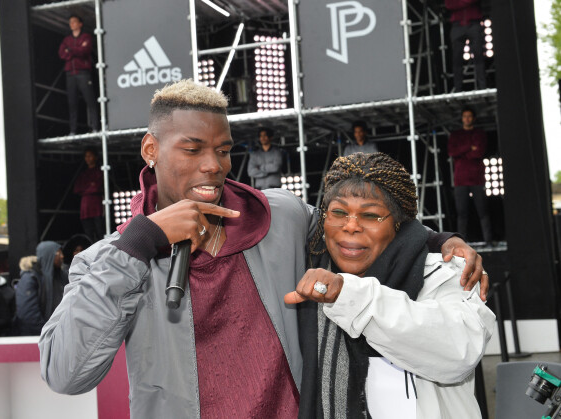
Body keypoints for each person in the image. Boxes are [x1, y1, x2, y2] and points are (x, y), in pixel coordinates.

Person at [39, 80, 487, 419]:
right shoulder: (111, 257)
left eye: (223, 149)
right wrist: (140, 244)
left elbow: (355, 224)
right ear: (151, 149)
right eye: (192, 149)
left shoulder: (281, 215)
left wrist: (436, 240)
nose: (212, 165)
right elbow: (66, 373)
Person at [285, 152, 495, 418]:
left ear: (399, 223)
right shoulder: (308, 269)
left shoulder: (447, 271)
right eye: (338, 212)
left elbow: (460, 351)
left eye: (371, 216)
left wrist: (349, 295)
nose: (351, 226)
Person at [448, 107, 492, 243]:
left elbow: (479, 152)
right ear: (462, 118)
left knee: (483, 211)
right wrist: (469, 146)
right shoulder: (455, 135)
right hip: (460, 180)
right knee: (462, 214)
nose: (467, 119)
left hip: (477, 179)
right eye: (464, 116)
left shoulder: (479, 134)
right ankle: (462, 244)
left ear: (473, 118)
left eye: (469, 116)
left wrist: (462, 151)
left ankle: (488, 241)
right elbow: (452, 152)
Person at [58, 15, 100, 135]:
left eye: (74, 22)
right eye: (70, 22)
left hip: (83, 73)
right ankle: (73, 130)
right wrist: (76, 50)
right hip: (70, 74)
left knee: (90, 100)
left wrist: (70, 50)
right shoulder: (67, 40)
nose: (72, 24)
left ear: (80, 24)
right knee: (72, 103)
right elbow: (62, 53)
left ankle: (95, 127)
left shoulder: (86, 37)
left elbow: (84, 51)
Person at [15, 242, 68, 336]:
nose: (62, 256)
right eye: (58, 253)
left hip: (61, 333)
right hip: (37, 336)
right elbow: (28, 313)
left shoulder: (62, 276)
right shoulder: (30, 278)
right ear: (49, 255)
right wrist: (46, 332)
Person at [445, 0, 486, 92]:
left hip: (473, 23)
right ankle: (458, 89)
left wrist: (459, 3)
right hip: (457, 25)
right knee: (456, 59)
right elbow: (449, 4)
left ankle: (482, 87)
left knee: (478, 56)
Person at [73, 148, 104, 242]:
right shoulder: (83, 174)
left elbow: (97, 187)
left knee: (100, 232)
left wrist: (85, 189)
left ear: (95, 157)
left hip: (96, 206)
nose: (88, 158)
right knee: (88, 234)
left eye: (90, 156)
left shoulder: (100, 171)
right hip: (85, 208)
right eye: (86, 156)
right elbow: (77, 189)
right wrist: (90, 187)